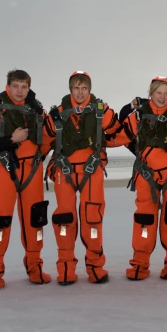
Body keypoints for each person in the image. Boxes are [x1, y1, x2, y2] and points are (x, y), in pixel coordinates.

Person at [108, 76, 167, 280]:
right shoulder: (138, 117)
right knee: (144, 219)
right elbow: (118, 136)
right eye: (158, 92)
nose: (162, 97)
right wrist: (90, 143)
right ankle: (140, 263)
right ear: (151, 93)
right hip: (146, 174)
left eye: (166, 93)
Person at [0, 69, 52, 291]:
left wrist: (39, 159)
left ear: (29, 88)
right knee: (0, 222)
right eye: (15, 86)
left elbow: (47, 140)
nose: (19, 91)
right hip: (3, 170)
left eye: (24, 87)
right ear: (8, 86)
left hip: (32, 171)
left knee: (35, 222)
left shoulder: (37, 110)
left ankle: (35, 268)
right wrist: (12, 139)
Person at [44, 71, 120, 285]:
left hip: (91, 170)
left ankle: (96, 267)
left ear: (90, 90)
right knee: (64, 220)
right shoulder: (56, 114)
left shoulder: (102, 111)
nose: (80, 92)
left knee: (92, 219)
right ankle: (66, 269)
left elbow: (120, 132)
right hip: (63, 172)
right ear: (70, 90)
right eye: (76, 88)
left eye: (84, 88)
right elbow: (43, 141)